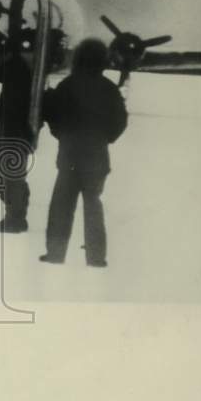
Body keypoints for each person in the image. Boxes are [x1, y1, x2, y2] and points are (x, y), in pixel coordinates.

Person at [40, 38, 127, 266]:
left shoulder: (68, 84)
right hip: (97, 156)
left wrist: (62, 134)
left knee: (61, 205)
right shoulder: (109, 88)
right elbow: (120, 121)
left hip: (70, 155)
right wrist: (105, 138)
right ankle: (96, 257)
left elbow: (52, 113)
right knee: (93, 206)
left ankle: (55, 254)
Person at [0, 43, 35, 234]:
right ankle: (18, 217)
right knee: (15, 176)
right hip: (18, 133)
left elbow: (10, 106)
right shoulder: (19, 70)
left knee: (12, 177)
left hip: (13, 133)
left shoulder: (14, 72)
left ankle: (15, 220)